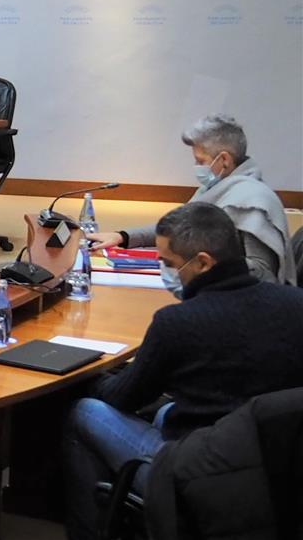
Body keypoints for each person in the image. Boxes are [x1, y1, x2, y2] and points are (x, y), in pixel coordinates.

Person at [62, 202, 303, 540]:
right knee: (165, 412)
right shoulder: (296, 303)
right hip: (279, 471)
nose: (166, 271)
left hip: (195, 476)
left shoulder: (177, 323)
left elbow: (123, 399)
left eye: (169, 263)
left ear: (203, 262)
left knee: (85, 411)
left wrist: (90, 373)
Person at [89, 115, 293, 285]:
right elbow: (179, 229)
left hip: (237, 303)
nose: (197, 166)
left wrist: (199, 265)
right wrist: (123, 237)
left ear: (224, 159)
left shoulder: (252, 201)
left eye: (200, 160)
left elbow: (263, 272)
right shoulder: (217, 188)